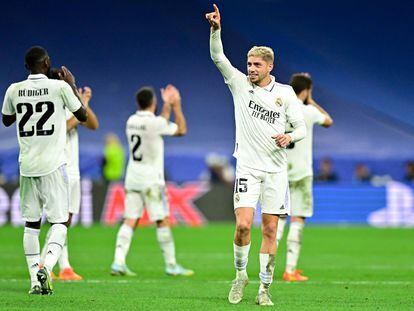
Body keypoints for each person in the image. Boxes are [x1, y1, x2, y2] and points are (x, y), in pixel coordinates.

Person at [206, 5, 306, 306]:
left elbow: (300, 128)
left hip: (276, 171)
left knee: (271, 228)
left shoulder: (285, 94)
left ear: (269, 67)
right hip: (248, 168)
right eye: (248, 64)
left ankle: (264, 288)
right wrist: (216, 30)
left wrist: (289, 136)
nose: (250, 69)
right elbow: (218, 57)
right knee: (243, 225)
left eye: (256, 65)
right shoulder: (239, 84)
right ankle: (240, 276)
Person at [1, 46, 88, 295]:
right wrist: (71, 84)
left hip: (27, 166)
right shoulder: (60, 88)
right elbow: (81, 115)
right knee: (60, 221)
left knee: (31, 224)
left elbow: (6, 119)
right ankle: (47, 267)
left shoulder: (13, 89)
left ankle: (33, 281)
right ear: (47, 62)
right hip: (53, 166)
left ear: (26, 66)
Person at [110, 84, 193, 277]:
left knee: (130, 219)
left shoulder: (131, 120)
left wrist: (166, 105)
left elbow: (159, 123)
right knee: (162, 220)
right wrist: (176, 105)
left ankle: (118, 262)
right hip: (152, 180)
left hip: (133, 177)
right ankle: (171, 265)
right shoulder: (156, 123)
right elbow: (181, 129)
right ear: (153, 103)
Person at [40, 69, 99, 281]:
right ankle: (53, 264)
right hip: (58, 167)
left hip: (73, 170)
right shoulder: (52, 107)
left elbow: (93, 125)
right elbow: (61, 129)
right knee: (60, 220)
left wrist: (84, 105)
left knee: (66, 221)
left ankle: (56, 264)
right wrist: (79, 107)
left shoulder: (71, 106)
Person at [277, 73, 333, 282]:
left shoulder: (280, 109)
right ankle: (290, 270)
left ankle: (269, 267)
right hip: (301, 173)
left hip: (280, 172)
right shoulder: (309, 111)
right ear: (306, 91)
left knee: (278, 218)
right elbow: (328, 121)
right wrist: (310, 100)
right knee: (298, 219)